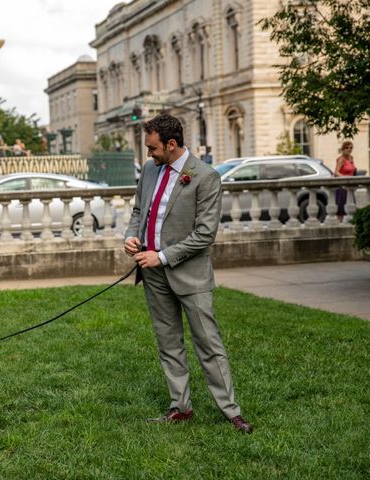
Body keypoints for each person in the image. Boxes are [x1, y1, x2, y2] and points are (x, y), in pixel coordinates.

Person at [124, 113, 253, 433]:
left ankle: (232, 412)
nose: (148, 154)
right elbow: (139, 210)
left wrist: (162, 257)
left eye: (152, 148)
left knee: (208, 344)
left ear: (171, 144)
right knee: (168, 343)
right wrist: (130, 236)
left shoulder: (206, 176)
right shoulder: (150, 171)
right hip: (151, 273)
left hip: (189, 275)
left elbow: (205, 234)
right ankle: (180, 406)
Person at [334, 140, 356, 221]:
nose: (349, 149)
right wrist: (345, 177)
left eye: (351, 148)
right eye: (347, 147)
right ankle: (340, 224)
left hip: (350, 186)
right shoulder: (341, 159)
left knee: (351, 206)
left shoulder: (351, 158)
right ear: (343, 149)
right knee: (341, 208)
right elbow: (336, 172)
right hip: (342, 185)